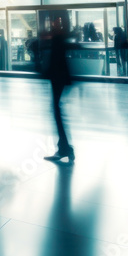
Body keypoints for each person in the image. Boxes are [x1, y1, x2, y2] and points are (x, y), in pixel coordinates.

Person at [44, 18, 75, 163]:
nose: (53, 23)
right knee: (57, 110)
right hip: (59, 76)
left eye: (56, 21)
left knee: (57, 111)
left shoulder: (59, 36)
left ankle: (65, 147)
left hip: (57, 75)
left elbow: (55, 57)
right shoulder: (61, 36)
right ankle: (64, 147)